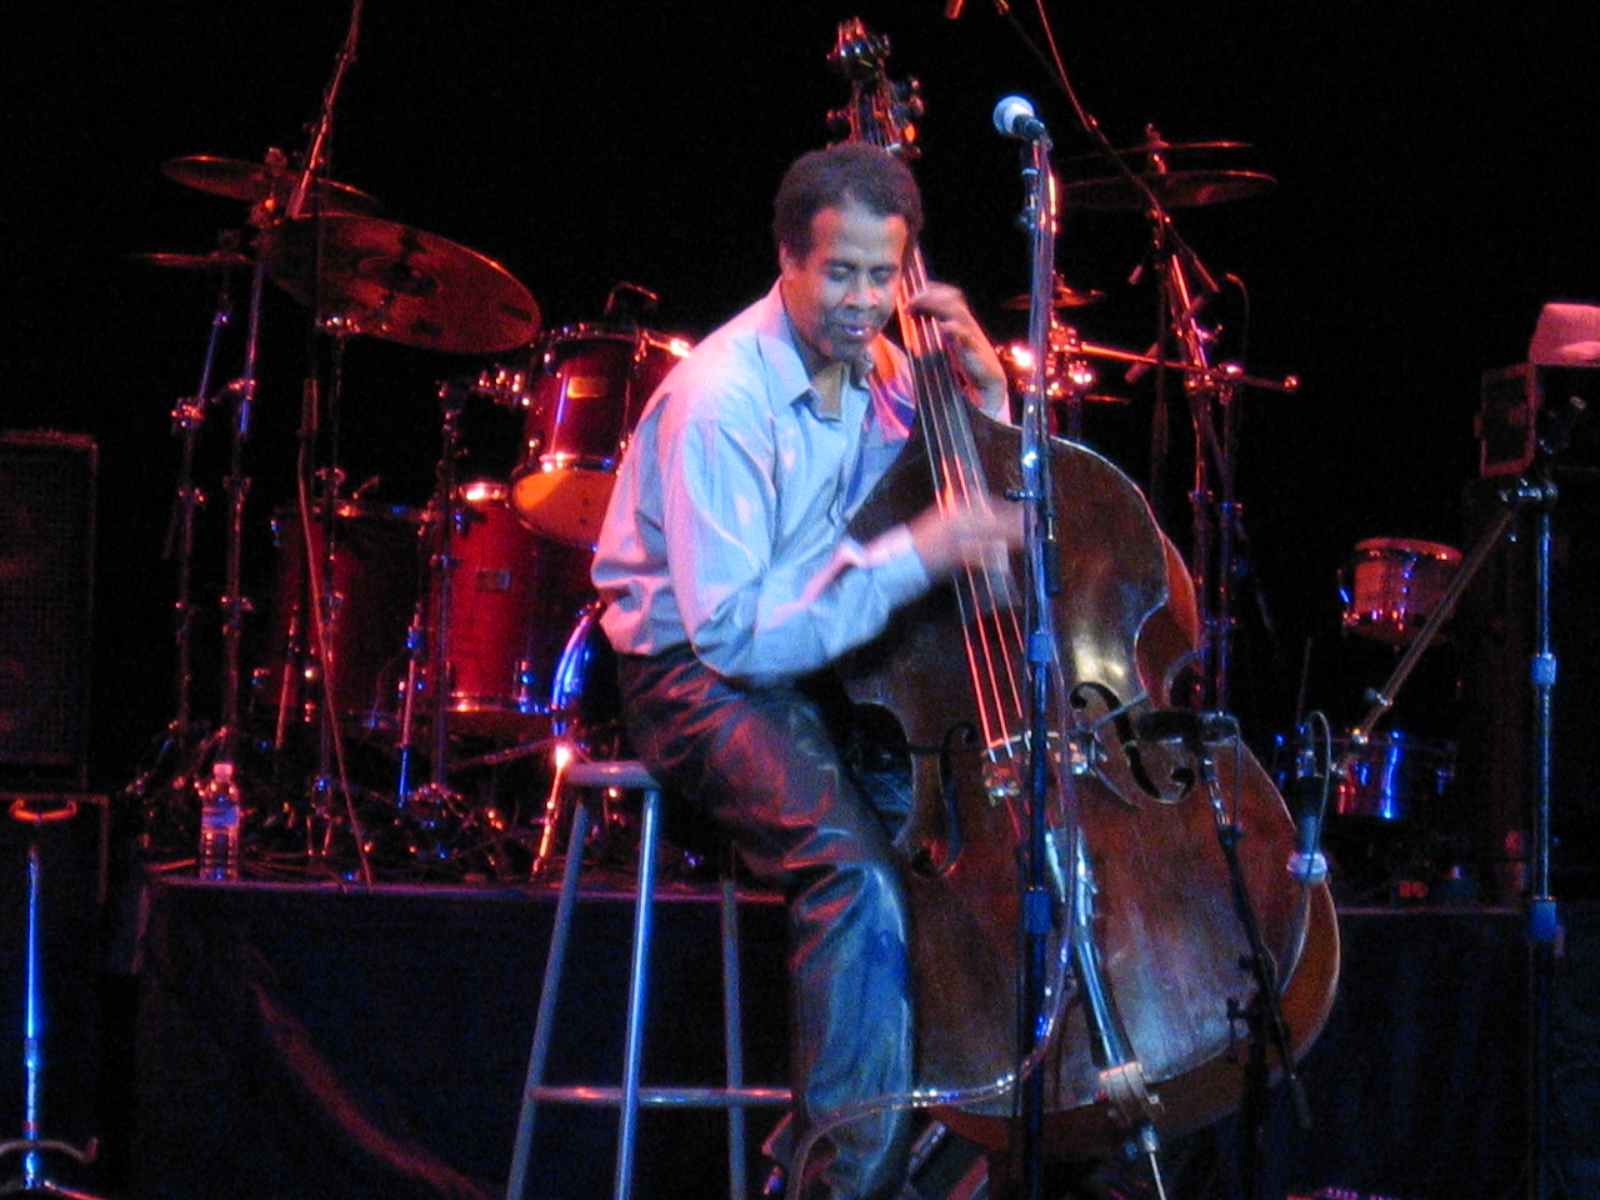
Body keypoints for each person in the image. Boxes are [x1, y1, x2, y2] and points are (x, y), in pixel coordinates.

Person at [590, 140, 1021, 1200]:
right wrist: (919, 550)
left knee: (949, 849)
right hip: (695, 676)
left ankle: (921, 1134)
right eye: (840, 273)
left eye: (884, 275)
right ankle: (840, 1187)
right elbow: (734, 633)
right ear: (788, 259)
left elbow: (941, 493)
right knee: (854, 873)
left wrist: (989, 398)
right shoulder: (720, 397)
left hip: (812, 659)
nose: (865, 302)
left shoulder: (879, 369)